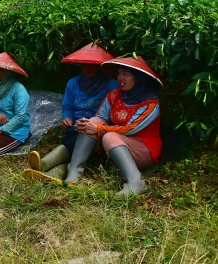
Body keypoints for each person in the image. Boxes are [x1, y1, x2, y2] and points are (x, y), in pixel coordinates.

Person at [63, 56, 163, 195]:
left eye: (125, 74)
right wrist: (89, 124)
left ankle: (136, 182)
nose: (120, 78)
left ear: (138, 77)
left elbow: (130, 129)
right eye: (119, 74)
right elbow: (101, 117)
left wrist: (99, 129)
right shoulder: (114, 94)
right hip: (117, 146)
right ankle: (74, 170)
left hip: (143, 149)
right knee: (91, 122)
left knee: (108, 136)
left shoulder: (151, 103)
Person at [24, 43, 119, 183]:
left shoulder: (111, 85)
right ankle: (52, 173)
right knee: (75, 138)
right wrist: (67, 118)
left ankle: (45, 164)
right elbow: (67, 106)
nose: (87, 68)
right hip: (75, 127)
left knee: (78, 138)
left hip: (96, 130)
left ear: (99, 66)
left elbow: (113, 114)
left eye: (91, 65)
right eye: (83, 65)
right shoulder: (73, 83)